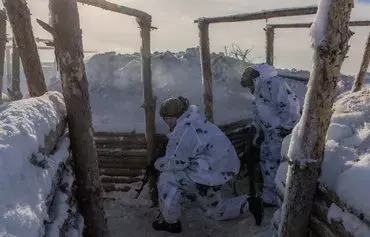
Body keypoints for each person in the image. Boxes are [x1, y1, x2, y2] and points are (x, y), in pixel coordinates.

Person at [152, 96, 263, 233]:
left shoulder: (184, 131)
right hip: (221, 167)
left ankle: (171, 222)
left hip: (211, 172)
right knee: (213, 210)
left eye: (166, 119)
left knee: (167, 178)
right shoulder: (195, 120)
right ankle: (250, 204)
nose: (166, 123)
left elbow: (176, 163)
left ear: (173, 117)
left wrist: (156, 164)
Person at [240, 63, 301, 207]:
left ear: (256, 78)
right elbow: (258, 112)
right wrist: (256, 128)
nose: (249, 89)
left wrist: (285, 127)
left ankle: (282, 197)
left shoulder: (275, 85)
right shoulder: (259, 90)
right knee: (267, 160)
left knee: (278, 162)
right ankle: (270, 196)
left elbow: (291, 106)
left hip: (280, 132)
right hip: (269, 133)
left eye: (249, 85)